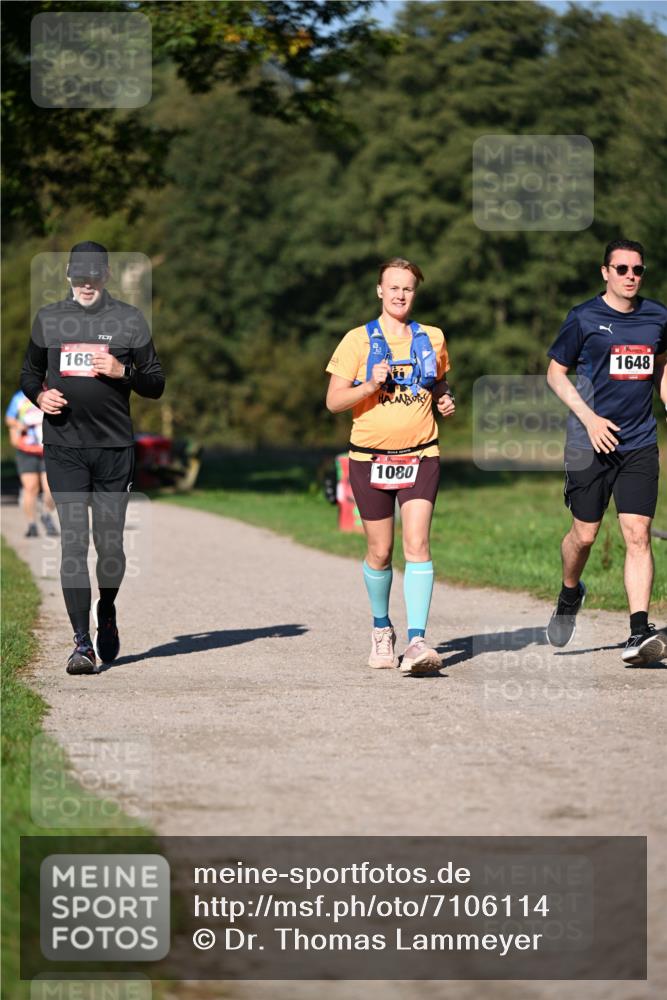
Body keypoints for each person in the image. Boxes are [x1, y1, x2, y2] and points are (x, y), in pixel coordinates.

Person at [20, 241, 165, 675]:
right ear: (68, 276)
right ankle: (81, 644)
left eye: (93, 275)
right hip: (64, 447)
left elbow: (156, 383)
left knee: (110, 547)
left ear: (105, 277)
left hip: (114, 449)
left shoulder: (129, 320)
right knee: (73, 543)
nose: (86, 283)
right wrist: (40, 395)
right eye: (78, 276)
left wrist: (123, 373)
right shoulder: (48, 319)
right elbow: (28, 373)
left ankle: (107, 609)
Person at [325, 257, 455, 675]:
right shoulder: (356, 341)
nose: (401, 295)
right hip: (369, 460)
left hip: (421, 453)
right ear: (380, 291)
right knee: (379, 552)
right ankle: (382, 631)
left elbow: (439, 381)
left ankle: (417, 641)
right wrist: (368, 385)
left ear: (415, 293)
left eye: (408, 288)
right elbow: (333, 402)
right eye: (393, 287)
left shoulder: (432, 336)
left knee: (417, 545)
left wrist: (444, 398)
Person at [545, 239, 667, 664]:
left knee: (637, 534)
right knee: (584, 536)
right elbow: (556, 374)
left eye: (638, 269)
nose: (631, 276)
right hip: (588, 444)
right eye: (622, 269)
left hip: (638, 442)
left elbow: (660, 364)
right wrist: (590, 420)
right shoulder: (583, 317)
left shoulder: (657, 316)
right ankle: (570, 592)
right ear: (605, 273)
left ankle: (638, 631)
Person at [5, 389, 58, 537]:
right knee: (31, 488)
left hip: (48, 449)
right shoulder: (20, 397)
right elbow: (9, 419)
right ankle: (31, 524)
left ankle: (46, 514)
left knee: (51, 490)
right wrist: (19, 425)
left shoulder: (52, 393)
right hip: (26, 450)